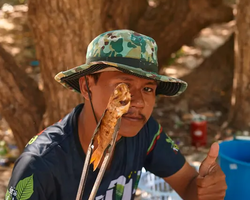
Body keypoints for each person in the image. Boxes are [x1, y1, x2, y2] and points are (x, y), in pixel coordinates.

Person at [5, 30, 227, 200]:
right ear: (86, 86)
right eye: (122, 85)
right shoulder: (39, 165)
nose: (137, 102)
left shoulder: (146, 133)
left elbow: (188, 185)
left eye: (148, 89)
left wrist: (203, 188)